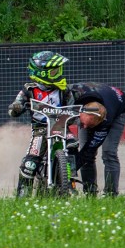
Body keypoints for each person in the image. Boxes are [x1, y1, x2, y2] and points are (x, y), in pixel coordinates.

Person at [8, 51, 75, 197]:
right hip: (41, 129)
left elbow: (72, 110)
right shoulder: (29, 89)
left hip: (61, 126)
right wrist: (17, 107)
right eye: (54, 71)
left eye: (59, 69)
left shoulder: (65, 90)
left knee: (73, 145)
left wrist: (76, 113)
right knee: (30, 164)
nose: (58, 73)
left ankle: (70, 183)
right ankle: (22, 197)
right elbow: (14, 108)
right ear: (42, 73)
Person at [69, 82, 125, 197]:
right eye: (82, 124)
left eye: (89, 126)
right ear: (81, 111)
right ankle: (90, 194)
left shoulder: (105, 120)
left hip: (118, 108)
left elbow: (89, 150)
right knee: (84, 149)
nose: (85, 128)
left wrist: (70, 170)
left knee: (108, 152)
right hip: (94, 94)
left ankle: (111, 195)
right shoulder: (75, 97)